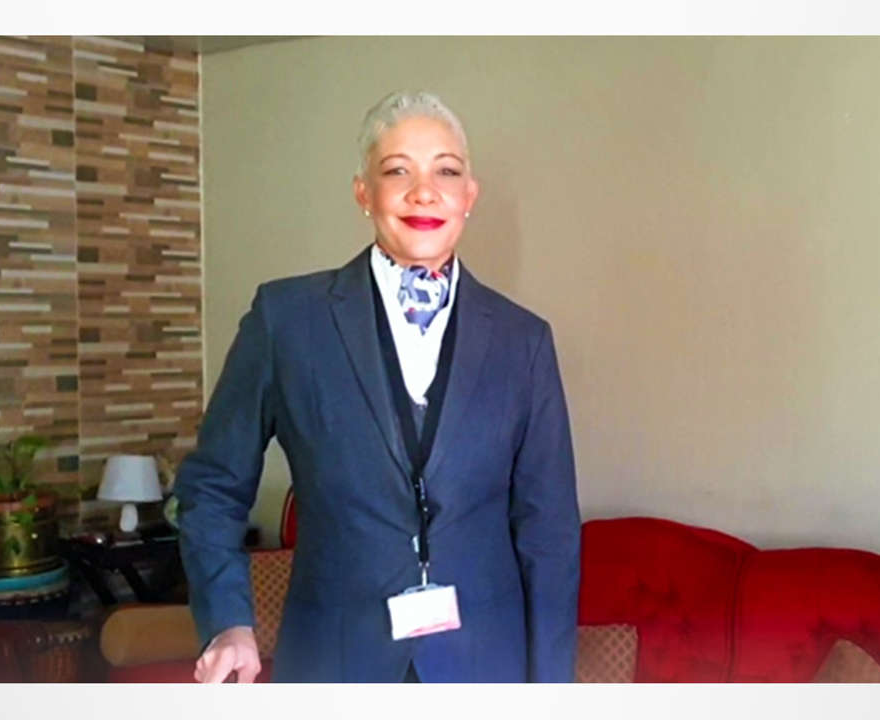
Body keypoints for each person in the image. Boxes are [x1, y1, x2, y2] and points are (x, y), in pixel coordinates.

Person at [175, 90, 580, 683]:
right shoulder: (286, 321)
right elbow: (211, 487)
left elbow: (550, 534)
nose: (424, 191)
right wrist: (227, 622)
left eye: (446, 171)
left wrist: (553, 691)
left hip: (483, 668)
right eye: (397, 171)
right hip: (334, 664)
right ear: (363, 192)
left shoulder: (525, 341)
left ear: (469, 196)